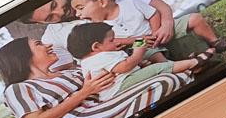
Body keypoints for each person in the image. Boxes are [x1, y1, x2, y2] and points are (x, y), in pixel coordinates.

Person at [0, 37, 190, 118]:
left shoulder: (65, 72)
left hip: (103, 104)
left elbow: (99, 81)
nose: (48, 45)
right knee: (165, 81)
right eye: (39, 44)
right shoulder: (17, 89)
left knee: (171, 77)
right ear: (23, 57)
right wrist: (83, 93)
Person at [18, 0, 180, 70]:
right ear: (40, 23)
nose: (60, 12)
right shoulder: (52, 37)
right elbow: (67, 68)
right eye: (50, 17)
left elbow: (158, 5)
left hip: (157, 36)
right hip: (129, 60)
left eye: (54, 4)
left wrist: (165, 24)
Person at [69, 0, 226, 62]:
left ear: (103, 2)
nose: (78, 15)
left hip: (157, 30)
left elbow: (154, 11)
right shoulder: (96, 26)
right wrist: (138, 40)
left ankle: (215, 42)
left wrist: (160, 29)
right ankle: (184, 64)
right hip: (140, 45)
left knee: (195, 18)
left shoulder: (129, 3)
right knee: (151, 55)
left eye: (80, 8)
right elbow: (113, 41)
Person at [66, 23, 208, 100]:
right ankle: (193, 63)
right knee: (155, 69)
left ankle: (185, 66)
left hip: (123, 81)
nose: (116, 42)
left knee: (151, 63)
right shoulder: (100, 57)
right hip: (120, 88)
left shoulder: (92, 59)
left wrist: (137, 53)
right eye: (111, 40)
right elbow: (125, 66)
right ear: (96, 46)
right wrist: (138, 52)